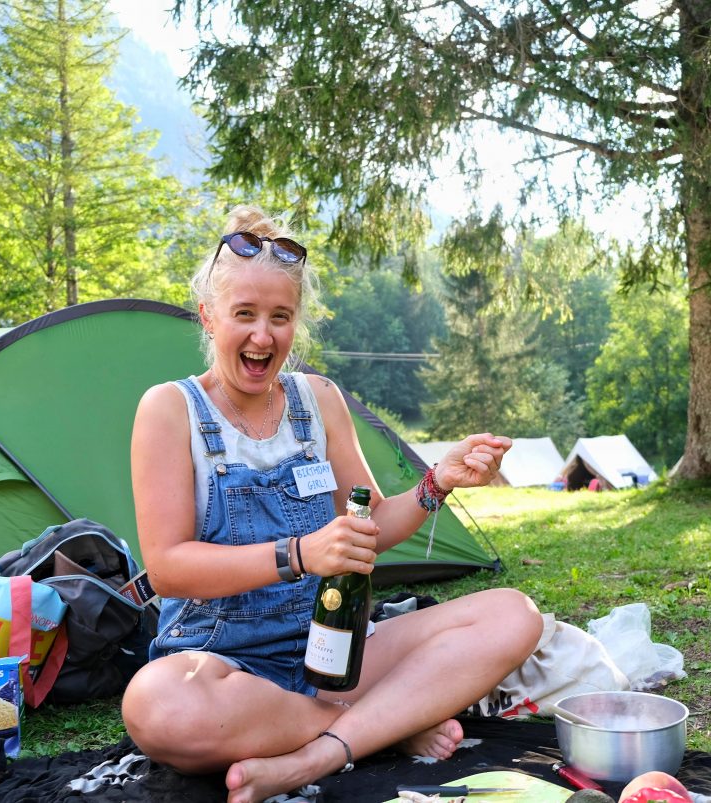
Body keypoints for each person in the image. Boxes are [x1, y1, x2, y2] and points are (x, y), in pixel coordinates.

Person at [122, 205, 544, 803]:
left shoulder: (318, 398)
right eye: (244, 314)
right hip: (222, 672)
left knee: (515, 614)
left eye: (280, 317)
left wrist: (439, 482)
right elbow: (167, 567)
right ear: (209, 319)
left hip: (335, 659)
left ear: (297, 324)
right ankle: (383, 729)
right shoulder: (170, 410)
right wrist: (299, 553)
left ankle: (314, 752)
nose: (263, 336)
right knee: (155, 706)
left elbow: (367, 527)